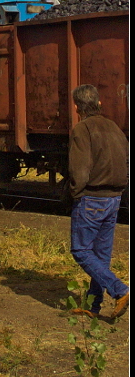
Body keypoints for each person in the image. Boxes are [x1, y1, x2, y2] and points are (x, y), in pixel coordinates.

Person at [68, 84, 129, 319]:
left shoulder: (81, 129)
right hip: (114, 198)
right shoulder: (114, 127)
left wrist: (76, 194)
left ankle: (120, 290)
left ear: (76, 107)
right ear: (99, 104)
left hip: (92, 199)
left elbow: (79, 171)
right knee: (100, 256)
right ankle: (93, 307)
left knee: (81, 250)